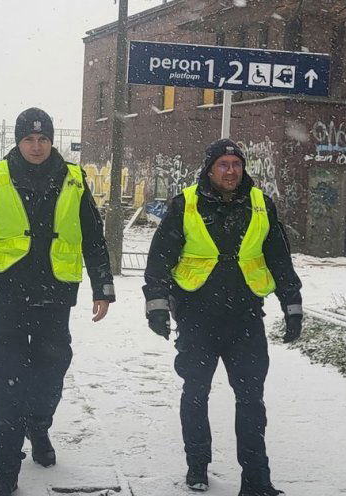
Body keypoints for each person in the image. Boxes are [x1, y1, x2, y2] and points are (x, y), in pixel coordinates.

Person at [0, 107, 115, 496]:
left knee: (50, 375)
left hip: (55, 295)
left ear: (51, 141)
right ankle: (6, 471)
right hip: (7, 295)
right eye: (28, 139)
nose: (36, 146)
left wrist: (103, 286)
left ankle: (38, 426)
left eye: (43, 139)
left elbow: (93, 237)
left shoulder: (74, 179)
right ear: (18, 141)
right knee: (8, 381)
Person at [142, 138, 303, 496]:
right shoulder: (186, 204)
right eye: (223, 165)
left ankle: (257, 480)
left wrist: (292, 304)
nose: (231, 171)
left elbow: (279, 257)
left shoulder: (261, 204)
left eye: (236, 164)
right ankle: (197, 465)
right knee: (196, 392)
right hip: (197, 315)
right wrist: (157, 304)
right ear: (210, 169)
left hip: (246, 317)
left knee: (251, 398)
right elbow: (161, 257)